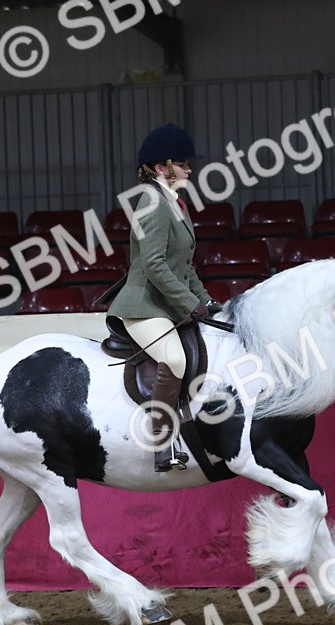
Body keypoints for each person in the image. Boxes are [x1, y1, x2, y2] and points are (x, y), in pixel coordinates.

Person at [107, 124, 222, 472]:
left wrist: (207, 302)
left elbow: (184, 266)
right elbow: (155, 265)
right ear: (162, 168)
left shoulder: (175, 204)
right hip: (143, 305)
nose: (190, 170)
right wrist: (189, 305)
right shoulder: (152, 202)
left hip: (165, 303)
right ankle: (162, 442)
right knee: (173, 358)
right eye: (184, 164)